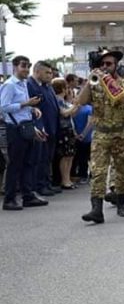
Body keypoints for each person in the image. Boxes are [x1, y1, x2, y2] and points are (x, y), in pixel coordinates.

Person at [75, 49, 124, 223]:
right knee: (98, 172)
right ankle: (96, 210)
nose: (105, 67)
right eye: (102, 64)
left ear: (116, 65)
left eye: (109, 64)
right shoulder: (94, 83)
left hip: (121, 133)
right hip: (101, 134)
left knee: (122, 171)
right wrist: (89, 82)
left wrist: (109, 82)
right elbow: (81, 101)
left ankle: (121, 203)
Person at [1, 55, 48, 210]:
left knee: (28, 162)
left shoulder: (23, 84)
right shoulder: (9, 85)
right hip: (15, 128)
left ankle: (28, 195)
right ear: (15, 67)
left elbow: (22, 106)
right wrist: (26, 103)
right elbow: (4, 107)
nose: (26, 69)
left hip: (25, 126)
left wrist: (32, 108)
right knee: (15, 164)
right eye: (23, 66)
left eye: (28, 66)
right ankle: (9, 199)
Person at [27, 61, 60, 196]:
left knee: (47, 158)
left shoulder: (48, 86)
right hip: (41, 128)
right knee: (39, 158)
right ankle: (39, 185)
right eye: (47, 72)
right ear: (37, 71)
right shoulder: (30, 85)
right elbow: (32, 109)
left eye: (51, 73)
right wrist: (39, 127)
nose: (50, 75)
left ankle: (46, 183)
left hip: (52, 127)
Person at [51, 78, 79, 189]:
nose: (68, 90)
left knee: (70, 156)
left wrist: (74, 105)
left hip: (69, 129)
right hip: (63, 130)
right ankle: (64, 180)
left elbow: (72, 114)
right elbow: (64, 113)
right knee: (65, 156)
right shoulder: (58, 100)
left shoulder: (63, 100)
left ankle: (68, 179)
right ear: (62, 88)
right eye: (66, 87)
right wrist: (75, 105)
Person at [71, 102, 93, 185]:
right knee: (87, 158)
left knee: (82, 158)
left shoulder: (75, 108)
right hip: (86, 137)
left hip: (81, 137)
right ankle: (87, 176)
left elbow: (90, 122)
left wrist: (78, 134)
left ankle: (84, 175)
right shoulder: (88, 108)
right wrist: (82, 134)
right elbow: (90, 122)